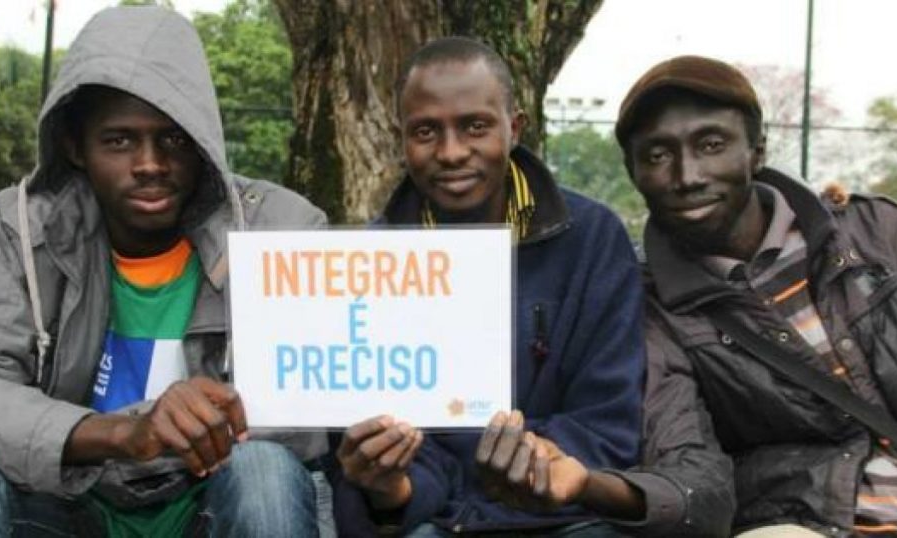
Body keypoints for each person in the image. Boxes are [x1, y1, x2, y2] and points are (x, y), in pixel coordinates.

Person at [331, 36, 711, 537]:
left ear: (514, 128)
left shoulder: (592, 238)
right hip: (437, 519)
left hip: (567, 516)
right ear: (400, 138)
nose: (450, 152)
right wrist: (392, 490)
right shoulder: (368, 264)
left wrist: (532, 460)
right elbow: (367, 452)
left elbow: (608, 421)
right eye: (426, 131)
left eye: (475, 126)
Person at [0, 6, 327, 537]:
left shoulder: (279, 227)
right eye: (119, 141)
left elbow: (305, 420)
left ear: (202, 145)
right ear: (73, 146)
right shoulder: (15, 233)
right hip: (68, 504)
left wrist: (202, 421)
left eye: (174, 140)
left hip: (209, 498)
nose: (149, 162)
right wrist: (125, 432)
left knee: (264, 471)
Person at [615, 55, 897, 537]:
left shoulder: (873, 232)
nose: (688, 176)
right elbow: (688, 464)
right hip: (813, 520)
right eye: (658, 155)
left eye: (711, 144)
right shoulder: (651, 308)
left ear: (757, 151)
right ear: (633, 171)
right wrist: (608, 491)